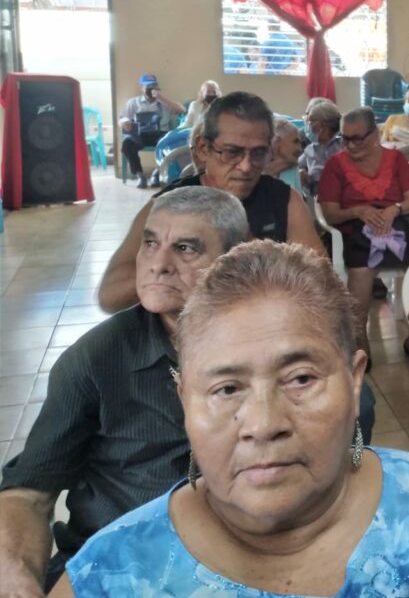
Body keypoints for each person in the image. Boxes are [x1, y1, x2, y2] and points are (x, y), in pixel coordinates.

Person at [51, 241, 409, 598]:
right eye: (226, 389)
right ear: (184, 398)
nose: (263, 423)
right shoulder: (111, 574)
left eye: (300, 379)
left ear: (354, 380)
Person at [0, 187, 249, 596]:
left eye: (185, 248)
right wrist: (17, 577)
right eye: (149, 243)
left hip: (237, 567)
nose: (158, 265)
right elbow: (29, 494)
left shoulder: (267, 349)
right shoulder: (97, 358)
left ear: (232, 260)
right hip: (113, 570)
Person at [98, 92, 325, 313]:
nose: (246, 166)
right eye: (232, 152)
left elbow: (321, 279)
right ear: (203, 149)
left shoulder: (283, 199)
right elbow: (110, 296)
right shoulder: (169, 205)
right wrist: (187, 265)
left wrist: (240, 249)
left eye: (258, 153)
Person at [318, 107, 409, 355]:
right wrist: (358, 211)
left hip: (397, 224)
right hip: (356, 231)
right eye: (345, 139)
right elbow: (330, 213)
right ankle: (360, 340)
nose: (350, 145)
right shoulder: (335, 165)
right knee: (361, 267)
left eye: (357, 138)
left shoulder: (396, 159)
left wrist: (394, 209)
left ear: (375, 134)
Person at [119, 73, 185, 188]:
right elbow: (121, 118)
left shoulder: (164, 102)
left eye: (153, 86)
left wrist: (161, 98)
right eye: (148, 86)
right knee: (127, 143)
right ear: (142, 87)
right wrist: (125, 122)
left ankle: (156, 173)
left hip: (160, 134)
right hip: (140, 135)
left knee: (170, 144)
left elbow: (182, 110)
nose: (151, 89)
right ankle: (140, 175)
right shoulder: (133, 102)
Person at [298, 99, 343, 194]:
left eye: (310, 120)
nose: (307, 124)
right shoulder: (310, 149)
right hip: (316, 198)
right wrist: (301, 172)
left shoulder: (343, 145)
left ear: (323, 124)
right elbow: (296, 165)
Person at [266, 117, 304, 192]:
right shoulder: (254, 169)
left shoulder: (292, 169)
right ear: (276, 142)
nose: (300, 149)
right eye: (295, 142)